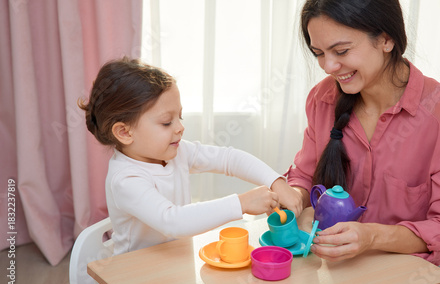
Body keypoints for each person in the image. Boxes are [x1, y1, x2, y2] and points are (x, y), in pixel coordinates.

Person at [273, 0, 440, 266]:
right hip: (335, 273)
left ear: (386, 40)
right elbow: (305, 176)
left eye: (341, 50)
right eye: (318, 52)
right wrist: (294, 202)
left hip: (408, 279)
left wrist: (372, 236)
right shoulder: (323, 99)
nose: (328, 66)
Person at [78, 57, 285, 255]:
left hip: (176, 263)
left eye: (180, 116)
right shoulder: (125, 179)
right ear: (125, 132)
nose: (180, 127)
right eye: (167, 122)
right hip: (135, 275)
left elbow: (228, 159)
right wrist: (241, 203)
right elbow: (172, 221)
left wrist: (276, 181)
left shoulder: (177, 151)